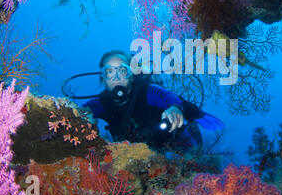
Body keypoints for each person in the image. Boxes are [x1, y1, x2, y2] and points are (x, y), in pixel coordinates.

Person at [83, 50, 224, 152]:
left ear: (131, 75)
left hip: (172, 141)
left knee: (194, 160)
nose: (116, 77)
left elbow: (169, 97)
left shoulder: (147, 91)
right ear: (103, 78)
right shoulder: (101, 103)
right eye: (109, 72)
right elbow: (78, 113)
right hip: (137, 155)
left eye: (123, 71)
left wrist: (175, 108)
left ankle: (192, 130)